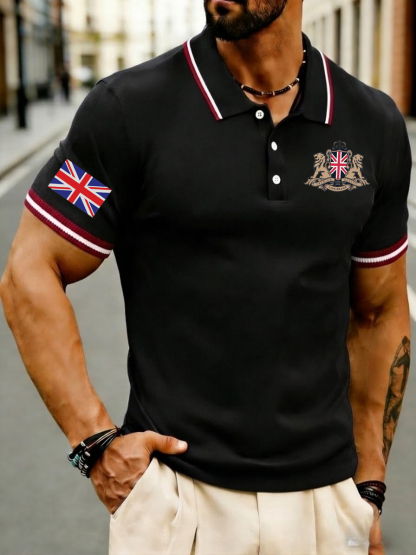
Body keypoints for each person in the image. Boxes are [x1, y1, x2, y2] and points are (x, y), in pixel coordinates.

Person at [0, 0, 412, 554]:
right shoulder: (129, 110)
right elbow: (30, 269)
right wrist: (95, 444)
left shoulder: (372, 123)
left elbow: (381, 310)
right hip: (179, 504)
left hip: (325, 504)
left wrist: (368, 487)